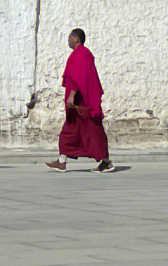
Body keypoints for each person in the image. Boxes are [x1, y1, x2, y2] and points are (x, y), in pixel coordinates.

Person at [46, 28, 116, 173]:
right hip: (79, 102)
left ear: (76, 39)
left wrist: (72, 95)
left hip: (82, 100)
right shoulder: (78, 54)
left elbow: (80, 77)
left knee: (93, 130)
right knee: (71, 130)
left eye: (70, 37)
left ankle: (106, 162)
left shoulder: (82, 54)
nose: (68, 40)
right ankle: (62, 161)